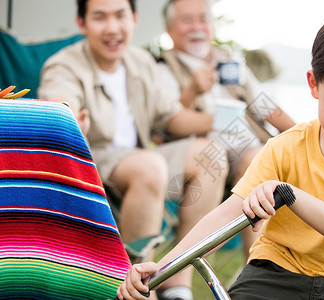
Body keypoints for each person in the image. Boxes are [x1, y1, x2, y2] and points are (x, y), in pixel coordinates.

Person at [117, 2, 324, 300]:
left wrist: (290, 187)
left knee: (251, 159)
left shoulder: (230, 63)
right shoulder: (161, 68)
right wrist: (163, 267)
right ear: (314, 85)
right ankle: (177, 282)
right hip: (273, 266)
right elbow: (224, 211)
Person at [38, 1, 229, 299]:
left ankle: (177, 280)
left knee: (211, 155)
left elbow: (172, 117)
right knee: (149, 165)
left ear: (135, 19)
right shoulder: (63, 64)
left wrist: (225, 122)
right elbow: (59, 99)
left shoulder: (140, 62)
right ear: (82, 23)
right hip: (90, 159)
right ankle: (139, 285)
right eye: (100, 17)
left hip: (139, 158)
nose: (112, 28)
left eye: (120, 16)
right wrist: (69, 116)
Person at [157, 0, 296, 260]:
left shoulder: (229, 62)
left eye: (203, 19)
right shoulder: (163, 69)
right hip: (202, 158)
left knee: (260, 157)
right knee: (251, 162)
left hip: (249, 154)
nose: (197, 27)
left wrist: (306, 135)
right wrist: (192, 91)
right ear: (169, 28)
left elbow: (266, 106)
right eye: (187, 20)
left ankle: (256, 265)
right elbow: (163, 126)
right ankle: (255, 263)